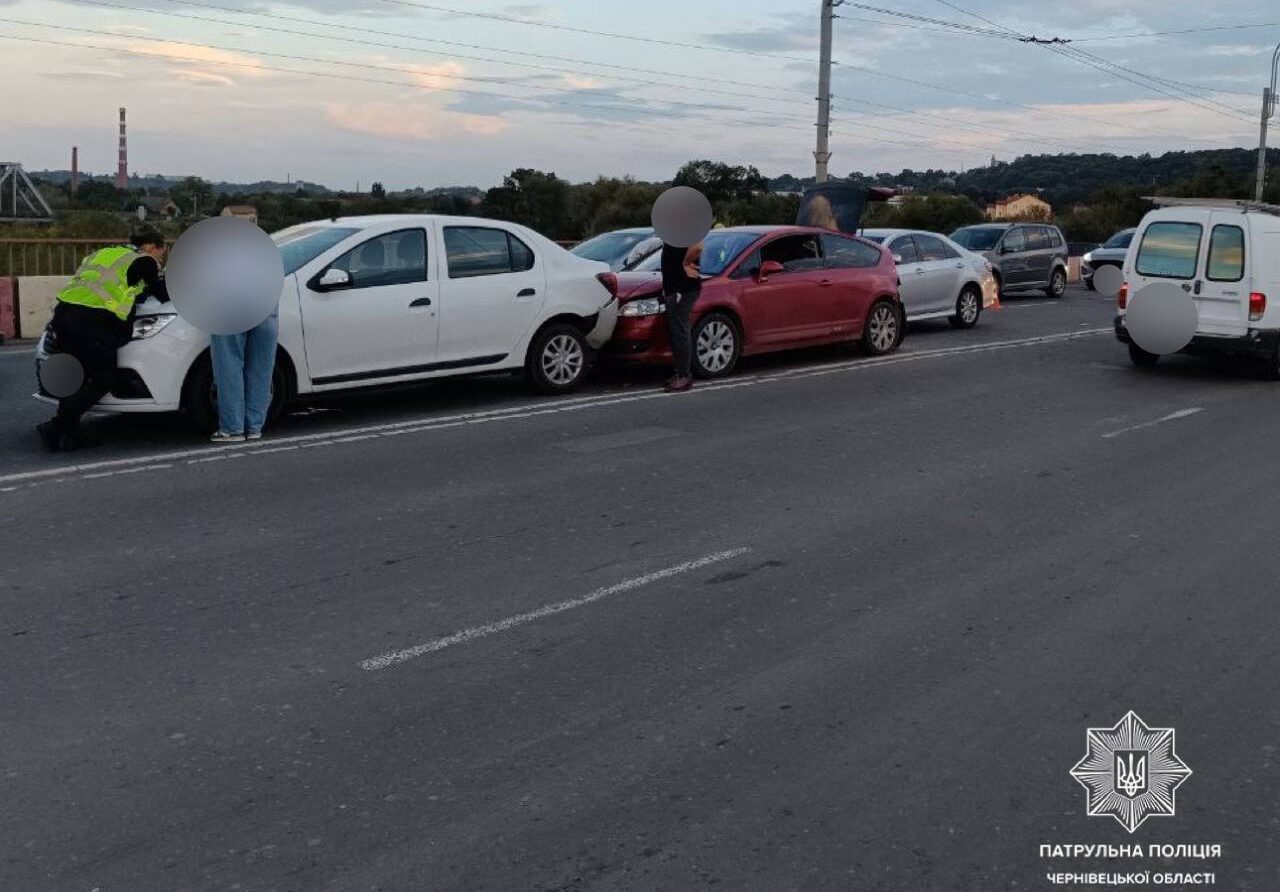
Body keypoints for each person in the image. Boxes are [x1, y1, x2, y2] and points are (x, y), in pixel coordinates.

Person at [36, 229, 169, 452]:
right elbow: (162, 293)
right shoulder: (144, 260)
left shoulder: (106, 253)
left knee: (76, 375)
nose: (160, 259)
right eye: (161, 253)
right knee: (105, 377)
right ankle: (57, 426)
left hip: (63, 313)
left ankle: (69, 431)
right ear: (153, 246)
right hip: (92, 321)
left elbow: (120, 286)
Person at [208, 300, 278, 443]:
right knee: (261, 367)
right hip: (266, 301)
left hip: (230, 303)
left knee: (228, 364)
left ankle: (232, 428)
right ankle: (254, 427)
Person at [660, 238, 704, 393]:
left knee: (680, 329)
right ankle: (679, 373)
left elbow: (697, 246)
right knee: (675, 330)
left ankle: (684, 376)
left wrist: (685, 263)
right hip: (674, 287)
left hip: (684, 287)